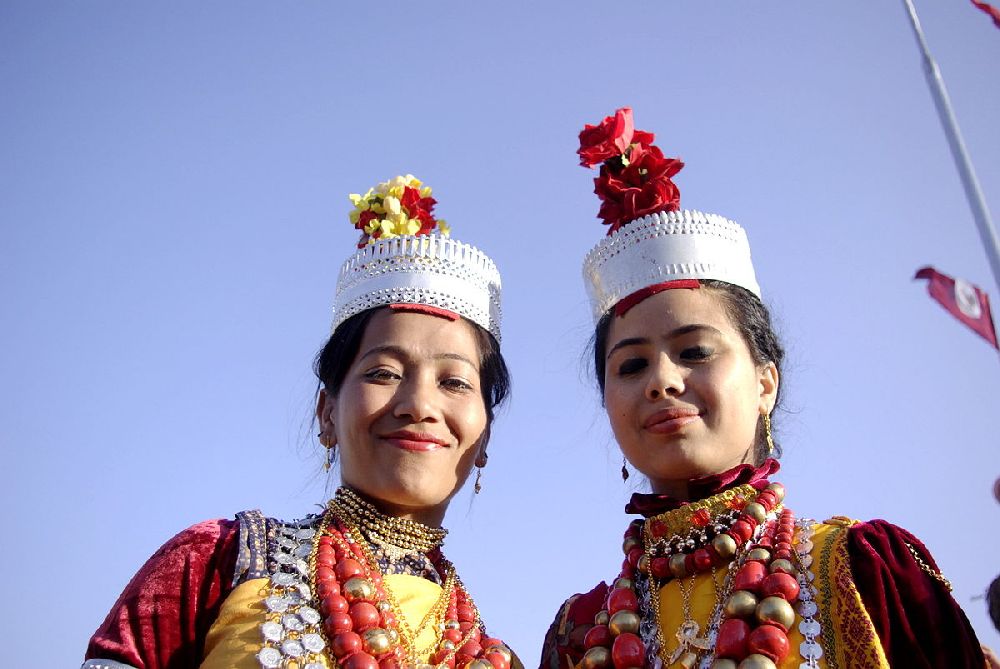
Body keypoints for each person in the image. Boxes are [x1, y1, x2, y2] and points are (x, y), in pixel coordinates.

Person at [539, 108, 985, 669]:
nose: (662, 381)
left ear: (765, 382)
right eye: (630, 366)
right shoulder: (580, 633)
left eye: (695, 351)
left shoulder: (866, 571)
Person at [82, 175, 518, 669]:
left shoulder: (487, 653)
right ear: (326, 411)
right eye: (383, 373)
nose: (418, 404)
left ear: (484, 437)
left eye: (455, 382)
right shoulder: (218, 561)